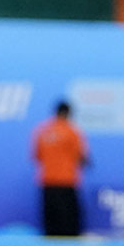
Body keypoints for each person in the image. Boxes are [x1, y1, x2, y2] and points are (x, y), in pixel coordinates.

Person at [32, 101, 89, 237]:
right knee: (69, 223)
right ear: (68, 114)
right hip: (67, 181)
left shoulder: (42, 131)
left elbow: (37, 156)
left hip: (47, 181)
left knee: (51, 221)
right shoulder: (72, 131)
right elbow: (81, 157)